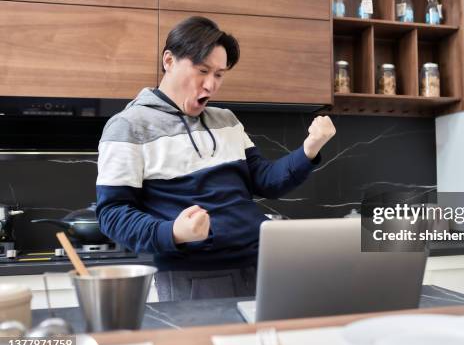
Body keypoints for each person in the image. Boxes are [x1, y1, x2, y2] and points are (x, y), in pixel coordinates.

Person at [95, 16, 336, 301]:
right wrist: (171, 231)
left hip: (262, 265)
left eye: (219, 74)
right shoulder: (129, 126)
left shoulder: (226, 120)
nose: (211, 85)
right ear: (169, 61)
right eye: (202, 70)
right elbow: (112, 214)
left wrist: (309, 149)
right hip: (193, 276)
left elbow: (267, 181)